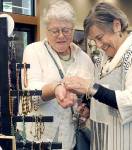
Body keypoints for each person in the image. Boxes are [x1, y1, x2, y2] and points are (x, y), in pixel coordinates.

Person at [64, 2, 132, 150]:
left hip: (129, 142)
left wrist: (90, 88)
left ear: (117, 25)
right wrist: (90, 107)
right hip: (103, 140)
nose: (98, 45)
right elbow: (105, 93)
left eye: (100, 37)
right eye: (93, 41)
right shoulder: (102, 60)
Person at [17, 1, 94, 150]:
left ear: (73, 29)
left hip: (68, 139)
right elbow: (30, 91)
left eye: (66, 30)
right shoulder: (33, 51)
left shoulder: (85, 59)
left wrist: (86, 108)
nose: (61, 35)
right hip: (36, 138)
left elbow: (88, 93)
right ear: (47, 30)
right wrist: (55, 88)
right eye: (55, 30)